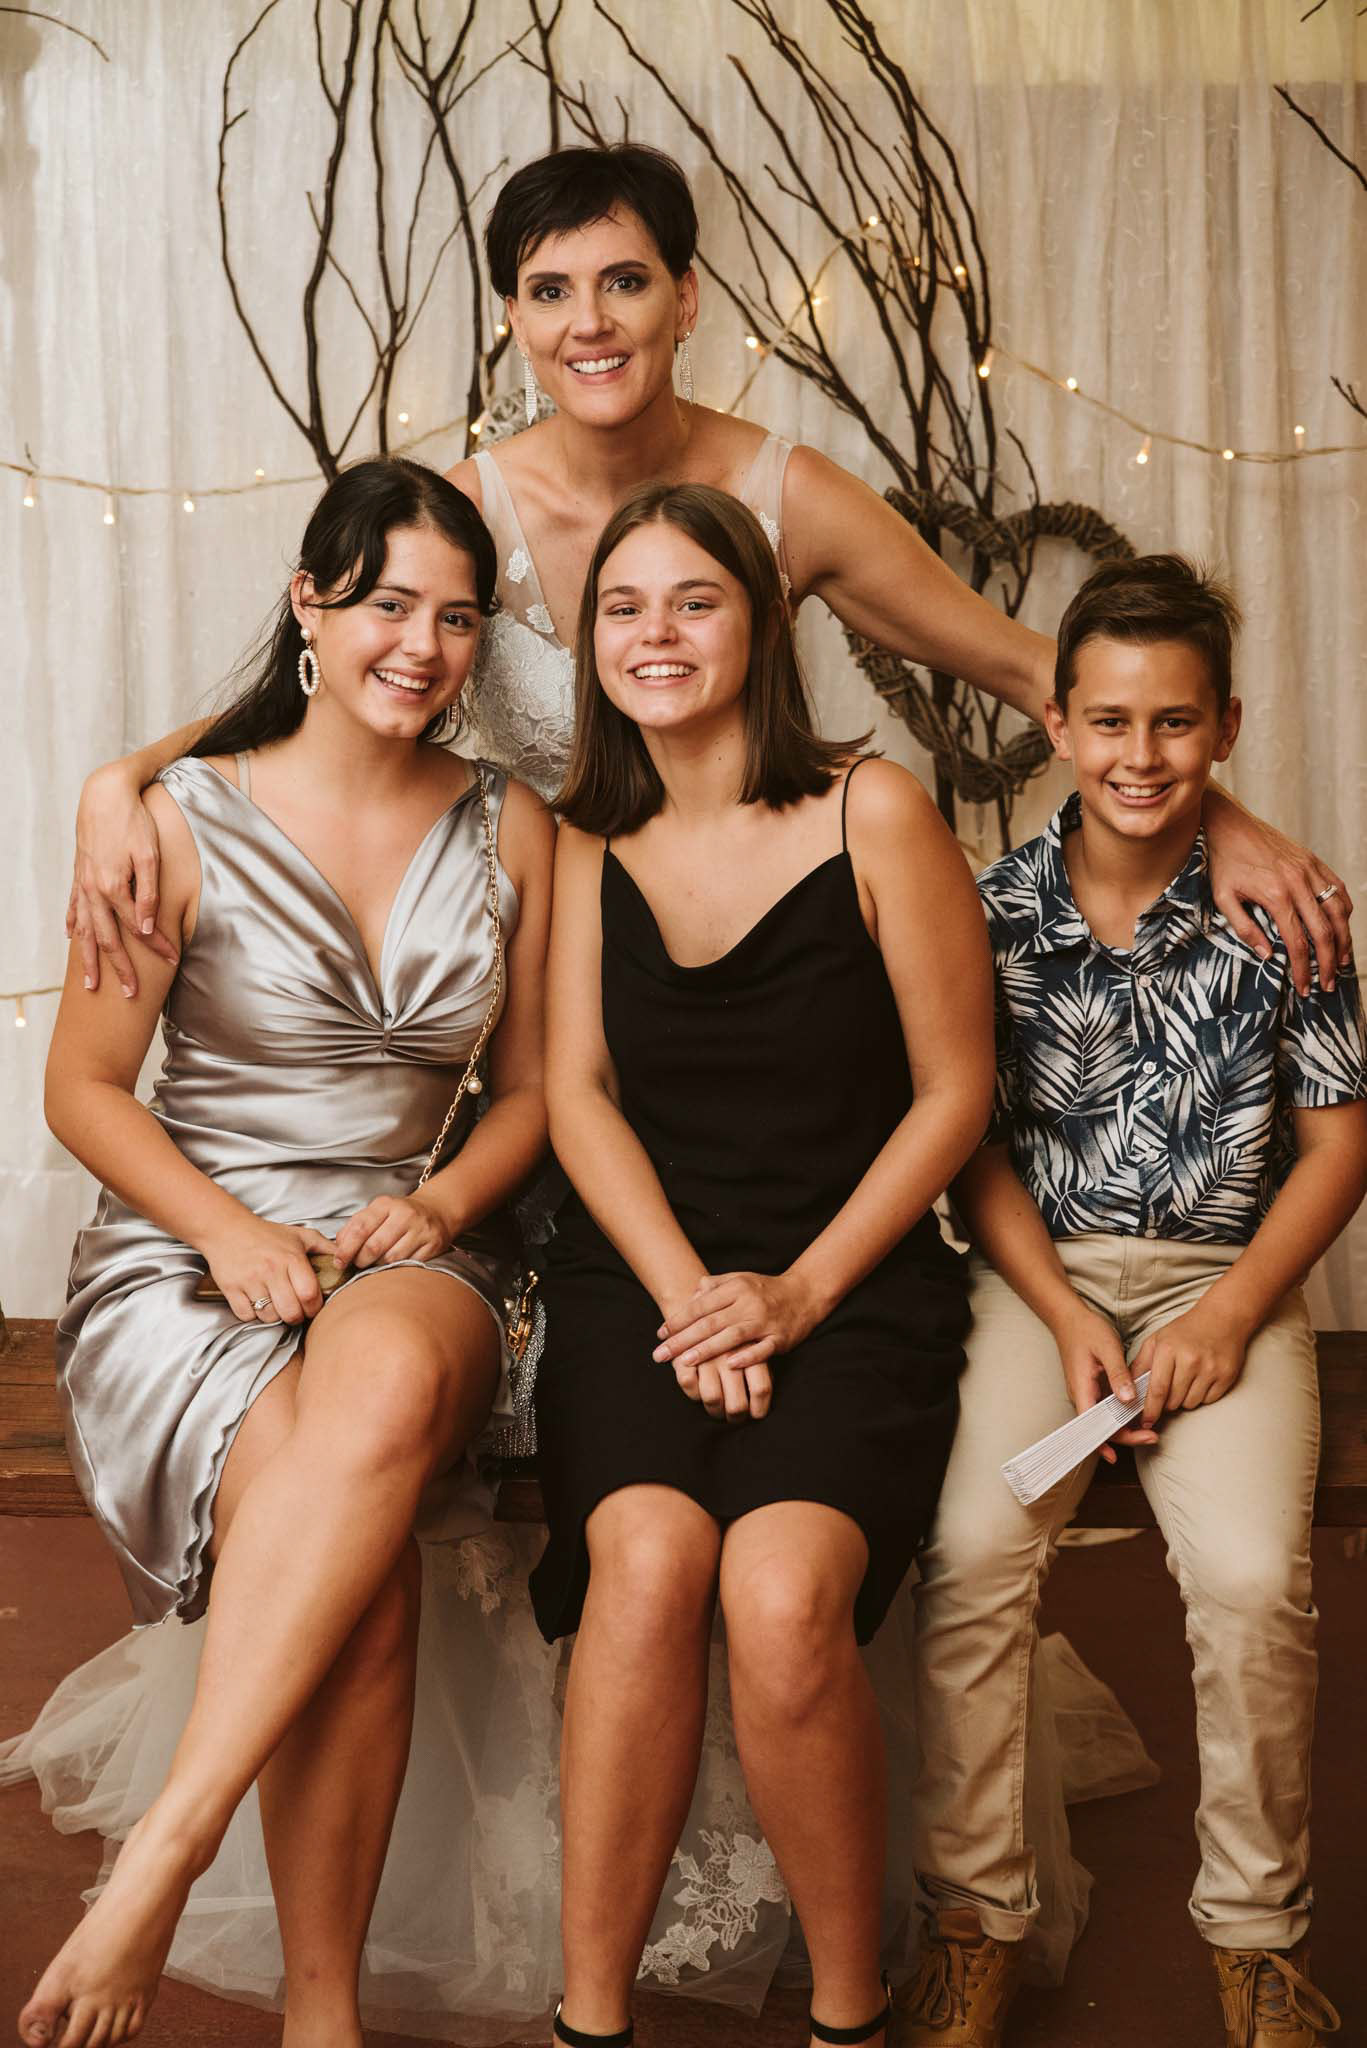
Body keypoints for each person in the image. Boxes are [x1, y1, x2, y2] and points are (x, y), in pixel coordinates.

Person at [64, 146, 1350, 1005]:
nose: (588, 322)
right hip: (522, 957)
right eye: (549, 290)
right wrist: (120, 782)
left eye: (623, 282)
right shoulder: (464, 510)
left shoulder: (791, 494)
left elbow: (1043, 677)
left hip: (736, 950)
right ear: (513, 318)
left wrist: (1219, 814)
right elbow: (326, 688)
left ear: (684, 299)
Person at [12, 457, 555, 2048]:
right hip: (188, 1256)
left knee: (377, 1386)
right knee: (357, 1584)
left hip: (412, 1240)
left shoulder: (514, 825)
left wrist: (436, 1210)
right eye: (386, 603)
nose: (421, 645)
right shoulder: (173, 820)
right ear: (308, 603)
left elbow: (534, 1100)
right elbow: (82, 1089)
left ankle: (163, 1857)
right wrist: (229, 1230)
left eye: (455, 617)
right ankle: (322, 2019)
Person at [529, 477, 995, 2048]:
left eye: (694, 600)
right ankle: (589, 2019)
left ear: (763, 622)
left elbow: (953, 1094)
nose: (654, 634)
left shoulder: (875, 812)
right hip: (642, 1281)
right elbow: (577, 1097)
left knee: (782, 1593)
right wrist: (688, 1299)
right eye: (622, 606)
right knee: (646, 1565)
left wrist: (793, 1296)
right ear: (590, 640)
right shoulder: (583, 839)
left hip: (848, 1282)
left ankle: (849, 2016)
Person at [898, 556, 1367, 2048]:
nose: (1139, 755)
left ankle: (1253, 1942)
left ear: (1223, 726)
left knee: (1249, 1582)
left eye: (1172, 722)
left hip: (1225, 1283)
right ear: (1054, 723)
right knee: (970, 1551)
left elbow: (1336, 1145)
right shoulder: (983, 914)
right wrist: (1056, 1309)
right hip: (1034, 1285)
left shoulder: (1286, 912)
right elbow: (969, 1143)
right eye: (1107, 720)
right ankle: (975, 1921)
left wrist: (1227, 1314)